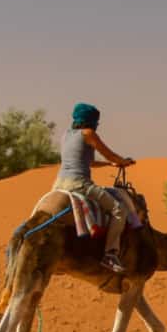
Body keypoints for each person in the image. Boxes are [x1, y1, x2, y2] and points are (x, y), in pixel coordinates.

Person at [56, 102, 135, 273]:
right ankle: (110, 254)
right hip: (79, 184)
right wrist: (123, 162)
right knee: (118, 210)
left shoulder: (66, 135)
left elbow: (90, 162)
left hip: (59, 184)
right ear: (91, 121)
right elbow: (109, 153)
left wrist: (109, 164)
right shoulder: (88, 133)